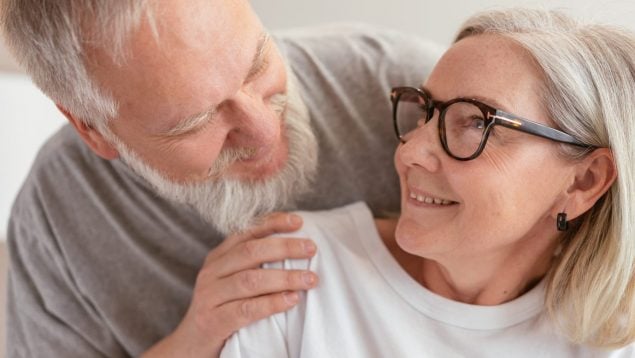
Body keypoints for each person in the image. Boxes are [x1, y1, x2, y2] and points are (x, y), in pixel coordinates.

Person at [0, 0, 441, 357]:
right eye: (195, 121)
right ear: (92, 130)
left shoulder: (406, 91)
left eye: (257, 64)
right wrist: (193, 341)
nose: (266, 132)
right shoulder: (54, 221)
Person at [221, 8, 635, 357]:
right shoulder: (296, 269)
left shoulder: (610, 340)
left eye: (475, 122)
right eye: (425, 112)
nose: (408, 152)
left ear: (584, 180)